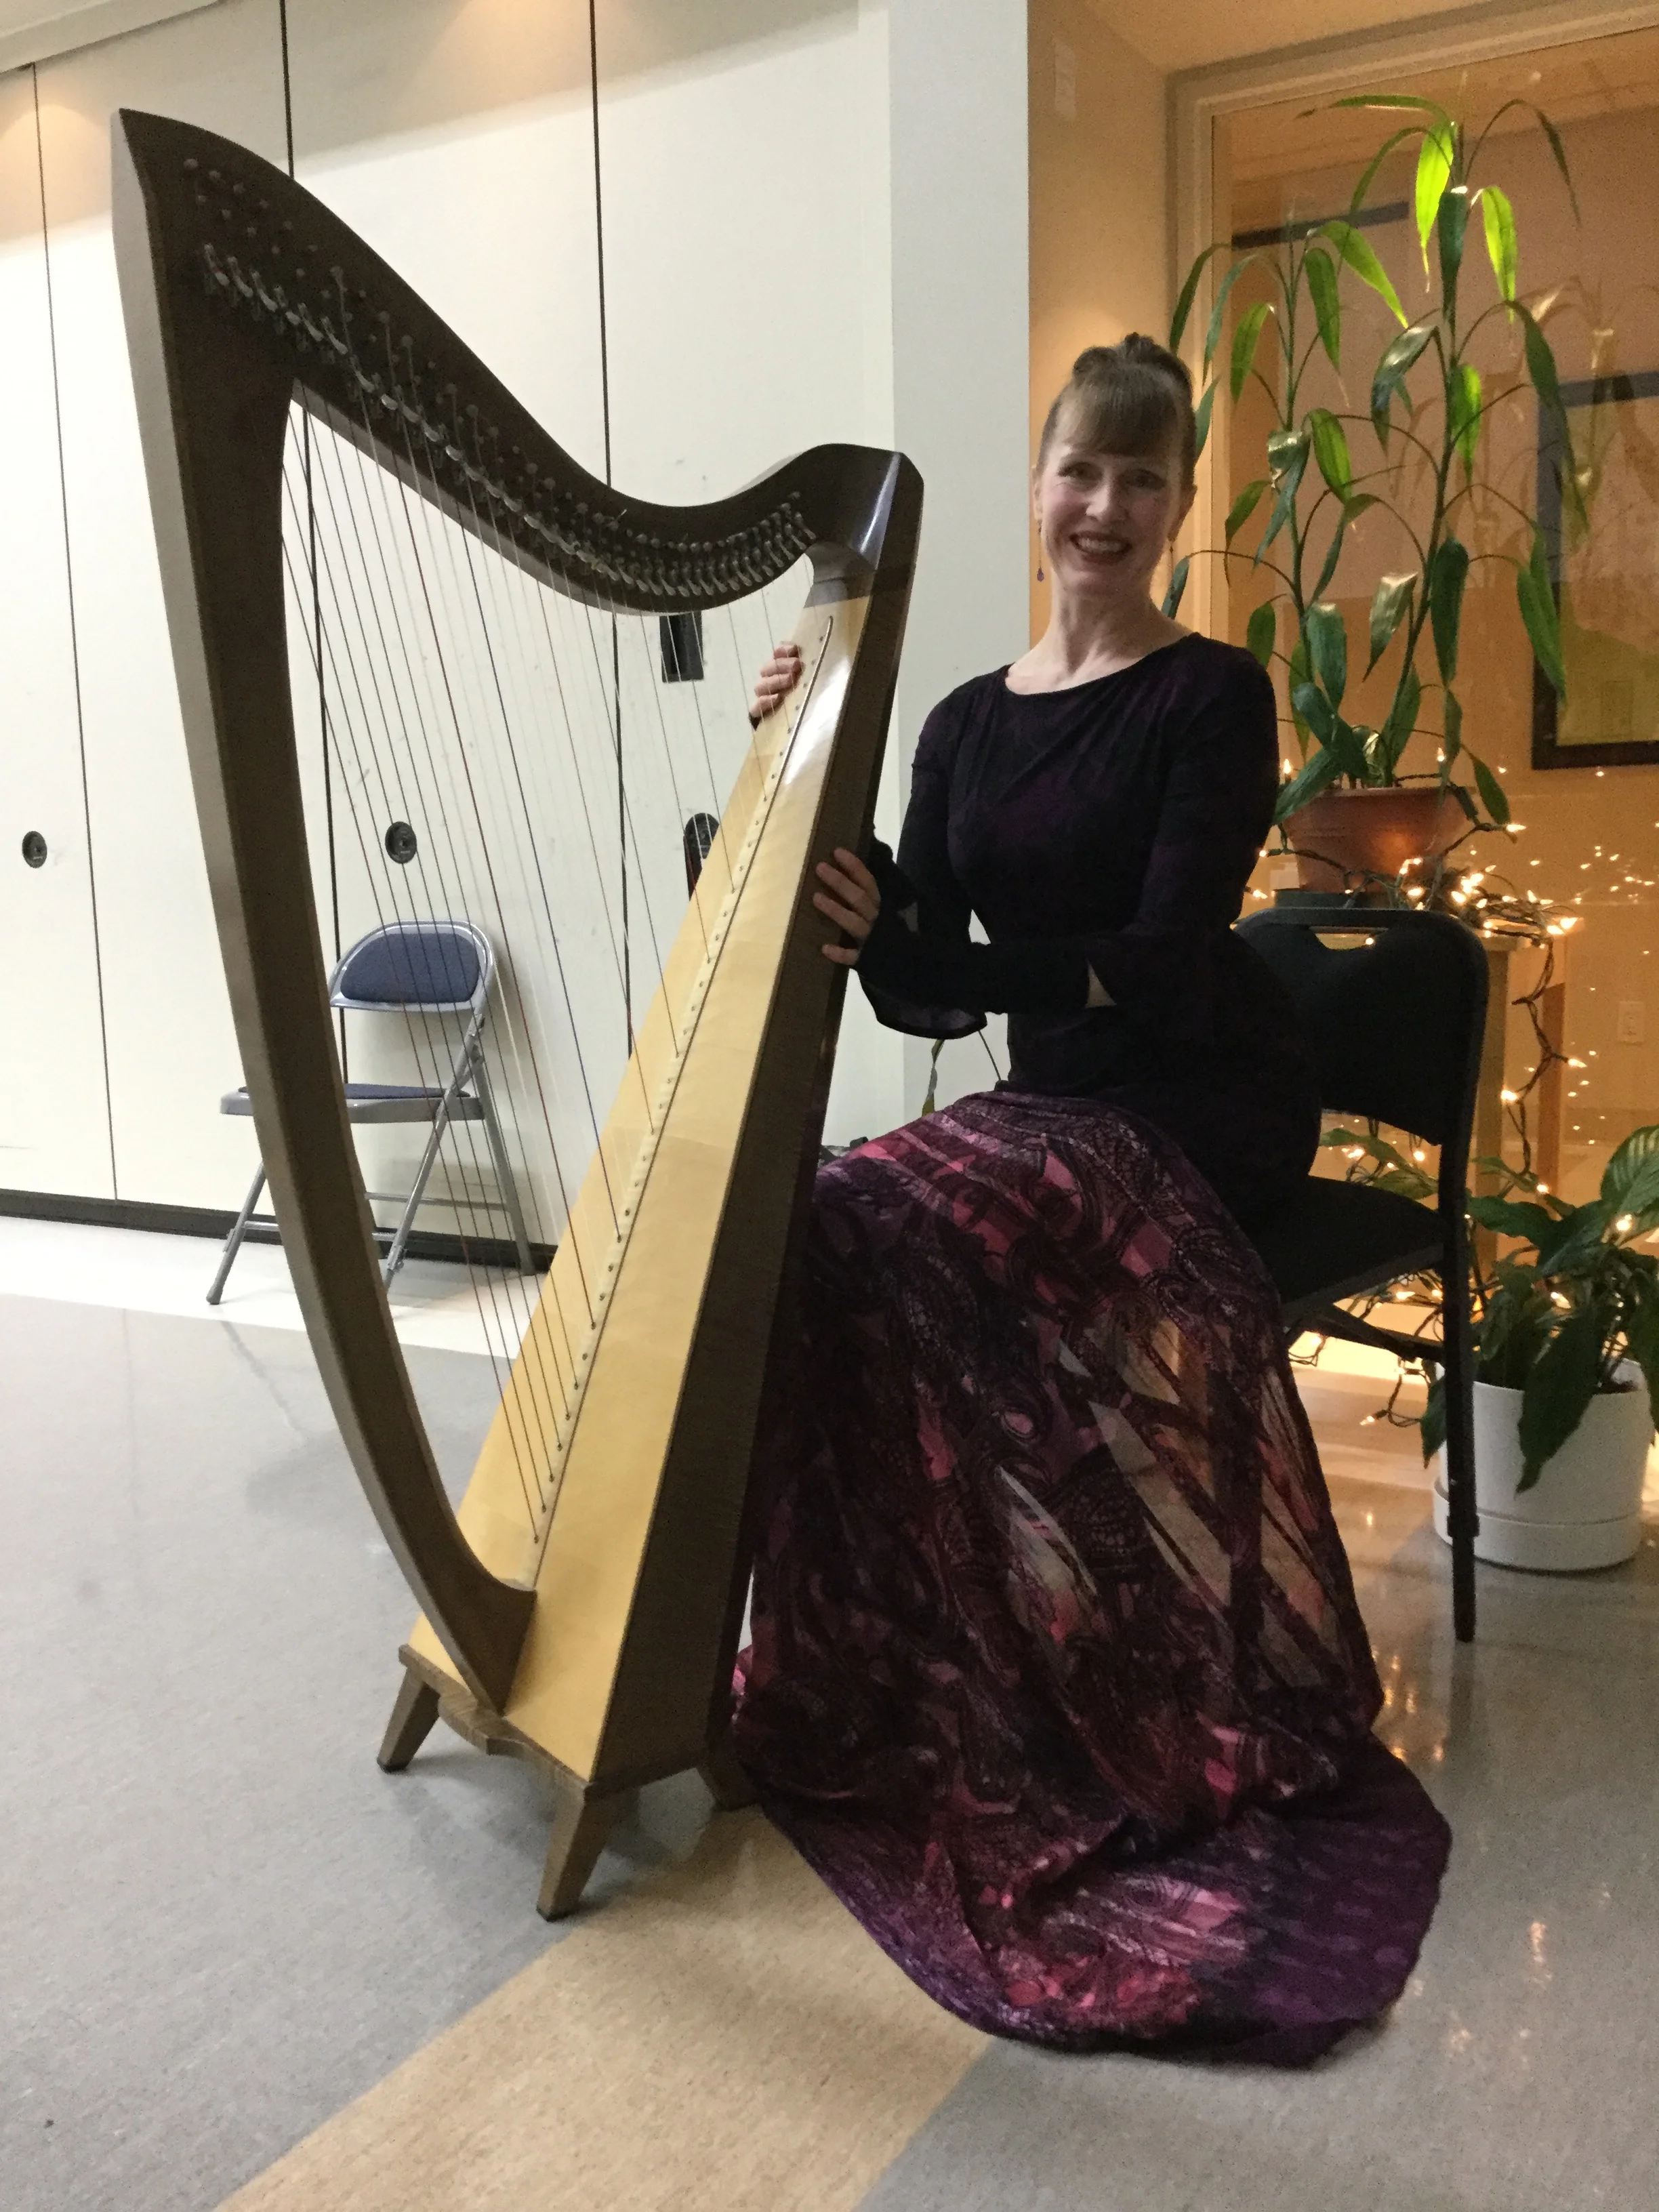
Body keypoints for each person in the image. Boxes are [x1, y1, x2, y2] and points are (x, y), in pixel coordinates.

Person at [731, 337, 1450, 2062]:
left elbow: (1159, 953)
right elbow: (913, 978)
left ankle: (1102, 1686)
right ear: (1036, 485)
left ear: (1181, 503)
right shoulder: (969, 721)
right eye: (1080, 470)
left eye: (1142, 477)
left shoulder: (1210, 696)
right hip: (1060, 1101)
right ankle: (948, 1662)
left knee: (907, 1215)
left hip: (1202, 1100)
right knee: (830, 1217)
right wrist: (800, 766)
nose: (1104, 506)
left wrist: (955, 952)